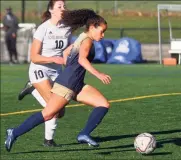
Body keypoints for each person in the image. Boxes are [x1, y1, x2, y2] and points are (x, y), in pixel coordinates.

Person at [5, 9, 111, 152]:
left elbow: (66, 52)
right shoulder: (87, 41)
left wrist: (70, 68)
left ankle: (84, 134)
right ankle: (14, 132)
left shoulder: (83, 36)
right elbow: (82, 59)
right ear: (92, 27)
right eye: (101, 31)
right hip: (67, 84)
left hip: (75, 83)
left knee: (102, 104)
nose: (103, 35)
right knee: (48, 114)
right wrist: (98, 74)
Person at [17, 0, 73, 147]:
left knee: (60, 112)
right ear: (51, 10)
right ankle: (48, 140)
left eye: (64, 6)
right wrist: (53, 58)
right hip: (39, 69)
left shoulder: (67, 28)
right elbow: (34, 57)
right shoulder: (43, 29)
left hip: (56, 71)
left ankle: (32, 88)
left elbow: (67, 49)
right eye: (59, 6)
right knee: (53, 108)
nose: (63, 8)